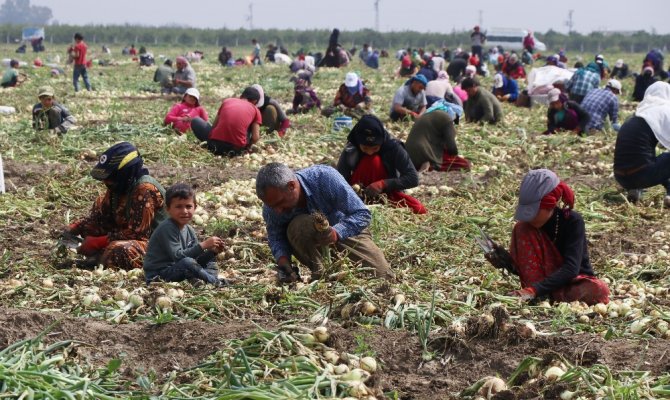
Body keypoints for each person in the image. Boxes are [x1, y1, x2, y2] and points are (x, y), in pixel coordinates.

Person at [484, 169, 610, 305]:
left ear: (550, 205)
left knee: (599, 289)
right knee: (522, 228)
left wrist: (533, 291)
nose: (529, 217)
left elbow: (571, 269)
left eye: (534, 212)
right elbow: (527, 270)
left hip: (568, 282)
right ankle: (541, 295)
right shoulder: (526, 228)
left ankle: (542, 295)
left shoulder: (573, 221)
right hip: (538, 288)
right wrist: (505, 262)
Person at [256, 162, 395, 282]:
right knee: (299, 225)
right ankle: (321, 274)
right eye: (272, 206)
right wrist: (283, 261)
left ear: (292, 186)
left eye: (280, 203)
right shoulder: (272, 206)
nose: (278, 210)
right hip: (310, 241)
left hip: (346, 232)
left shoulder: (324, 177)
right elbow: (276, 236)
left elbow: (362, 214)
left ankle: (339, 269)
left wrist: (337, 232)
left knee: (383, 276)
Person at [61, 142, 167, 270]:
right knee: (89, 226)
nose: (106, 182)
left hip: (159, 246)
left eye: (110, 177)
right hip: (126, 235)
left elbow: (136, 234)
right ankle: (99, 255)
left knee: (120, 251)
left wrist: (98, 242)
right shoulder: (118, 187)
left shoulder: (144, 190)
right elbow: (102, 218)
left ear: (124, 173)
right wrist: (76, 227)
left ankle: (97, 260)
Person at [143, 183, 229, 287]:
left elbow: (196, 258)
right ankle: (215, 281)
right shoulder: (167, 228)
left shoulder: (189, 230)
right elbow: (178, 256)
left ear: (195, 207)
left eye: (188, 206)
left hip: (179, 269)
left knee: (209, 259)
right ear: (168, 209)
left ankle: (203, 279)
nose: (184, 211)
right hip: (159, 275)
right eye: (178, 207)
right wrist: (203, 245)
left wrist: (213, 252)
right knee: (187, 262)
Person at [336, 115, 424, 214]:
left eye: (375, 148)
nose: (370, 152)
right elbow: (340, 178)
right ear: (358, 141)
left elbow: (413, 178)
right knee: (372, 160)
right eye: (365, 148)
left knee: (419, 209)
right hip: (358, 194)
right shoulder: (351, 149)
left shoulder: (393, 147)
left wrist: (383, 184)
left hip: (386, 194)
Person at [613, 82, 670, 205]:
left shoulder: (637, 115)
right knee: (665, 159)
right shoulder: (664, 110)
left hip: (621, 177)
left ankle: (634, 189)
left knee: (651, 157)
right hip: (641, 175)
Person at [191, 87, 262, 156]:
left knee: (196, 120)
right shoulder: (255, 110)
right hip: (236, 150)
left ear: (241, 96)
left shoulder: (227, 101)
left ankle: (209, 144)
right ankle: (243, 148)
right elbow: (255, 137)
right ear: (255, 101)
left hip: (215, 146)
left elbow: (214, 126)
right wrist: (248, 147)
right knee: (249, 125)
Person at [405, 109, 470, 173]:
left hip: (408, 156)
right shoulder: (446, 119)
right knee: (466, 164)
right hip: (424, 153)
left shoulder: (427, 116)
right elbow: (452, 149)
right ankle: (431, 166)